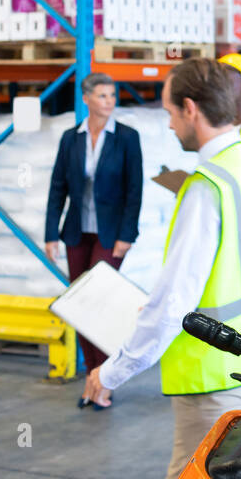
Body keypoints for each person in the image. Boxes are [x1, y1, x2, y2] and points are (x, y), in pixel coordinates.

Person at [80, 57, 241, 479]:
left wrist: (111, 372)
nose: (169, 125)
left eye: (170, 112)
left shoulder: (206, 187)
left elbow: (175, 303)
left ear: (191, 109)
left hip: (211, 378)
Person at [45, 72, 143, 379]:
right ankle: (93, 374)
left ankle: (106, 377)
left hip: (111, 234)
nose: (109, 101)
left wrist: (126, 234)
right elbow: (57, 187)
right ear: (85, 98)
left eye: (112, 95)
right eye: (102, 96)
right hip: (77, 232)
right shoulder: (70, 137)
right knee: (81, 305)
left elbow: (134, 189)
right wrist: (51, 234)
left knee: (100, 301)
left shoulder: (127, 137)